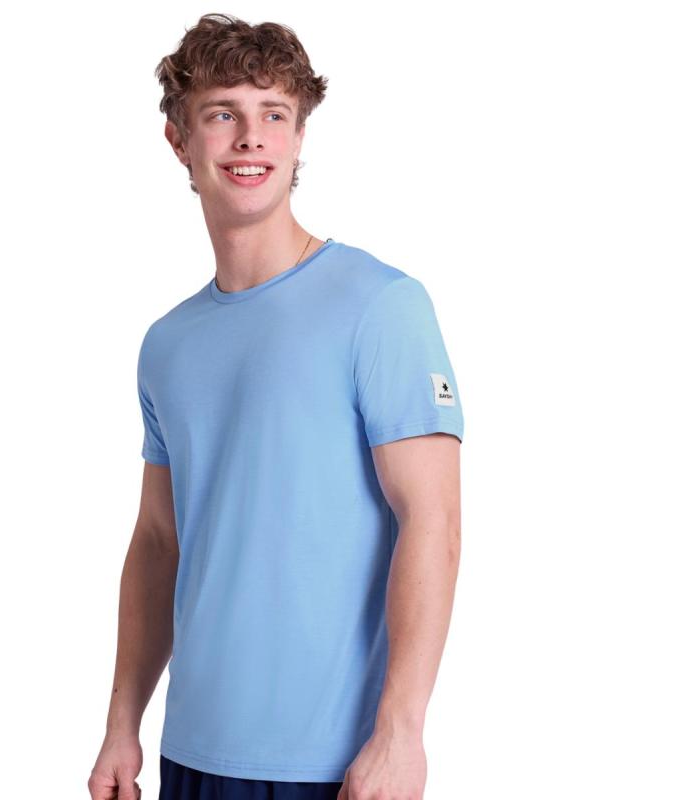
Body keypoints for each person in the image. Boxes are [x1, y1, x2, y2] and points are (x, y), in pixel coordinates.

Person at [88, 13, 464, 800]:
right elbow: (158, 541)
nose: (251, 138)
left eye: (274, 114)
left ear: (298, 138)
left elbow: (432, 518)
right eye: (222, 114)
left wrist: (402, 733)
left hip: (331, 765)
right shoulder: (168, 343)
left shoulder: (382, 306)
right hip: (192, 754)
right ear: (179, 140)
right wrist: (124, 723)